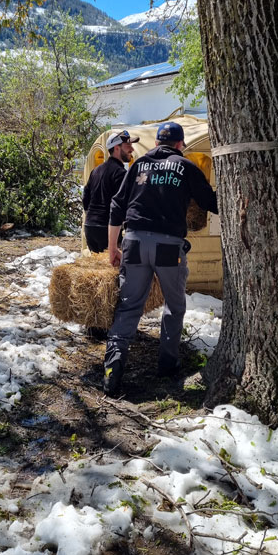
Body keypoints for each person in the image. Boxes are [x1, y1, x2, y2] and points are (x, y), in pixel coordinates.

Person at [103, 121, 219, 397]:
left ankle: (113, 367)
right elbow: (211, 203)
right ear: (180, 145)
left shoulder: (139, 165)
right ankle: (168, 364)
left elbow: (117, 205)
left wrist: (112, 248)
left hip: (133, 242)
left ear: (156, 144)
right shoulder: (186, 166)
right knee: (174, 305)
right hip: (168, 246)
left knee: (129, 306)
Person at [82, 129, 139, 253]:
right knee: (114, 263)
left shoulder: (96, 171)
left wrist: (92, 217)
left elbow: (85, 198)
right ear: (117, 148)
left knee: (96, 264)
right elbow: (125, 203)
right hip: (107, 228)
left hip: (90, 227)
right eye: (128, 145)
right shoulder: (120, 173)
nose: (132, 149)